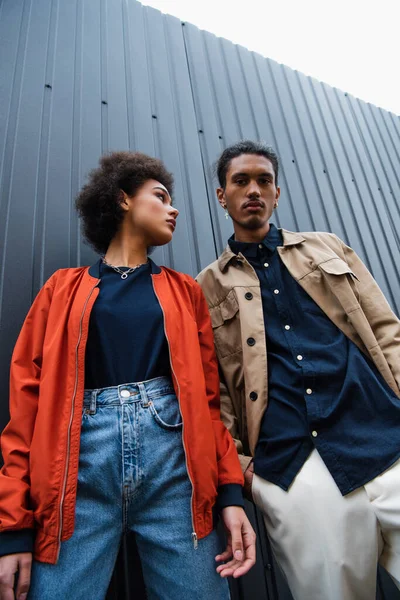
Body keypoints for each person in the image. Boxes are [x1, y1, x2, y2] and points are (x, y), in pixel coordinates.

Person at [0, 151, 256, 600]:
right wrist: (13, 528)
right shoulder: (62, 289)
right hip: (75, 481)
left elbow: (207, 405)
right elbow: (25, 411)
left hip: (175, 476)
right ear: (122, 199)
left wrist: (231, 495)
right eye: (160, 196)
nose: (173, 207)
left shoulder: (184, 292)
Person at [197, 140, 400, 600]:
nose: (253, 190)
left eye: (263, 180)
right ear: (221, 196)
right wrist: (244, 471)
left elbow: (387, 331)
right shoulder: (204, 287)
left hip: (384, 436)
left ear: (277, 193)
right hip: (292, 467)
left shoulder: (328, 247)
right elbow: (216, 394)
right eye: (240, 181)